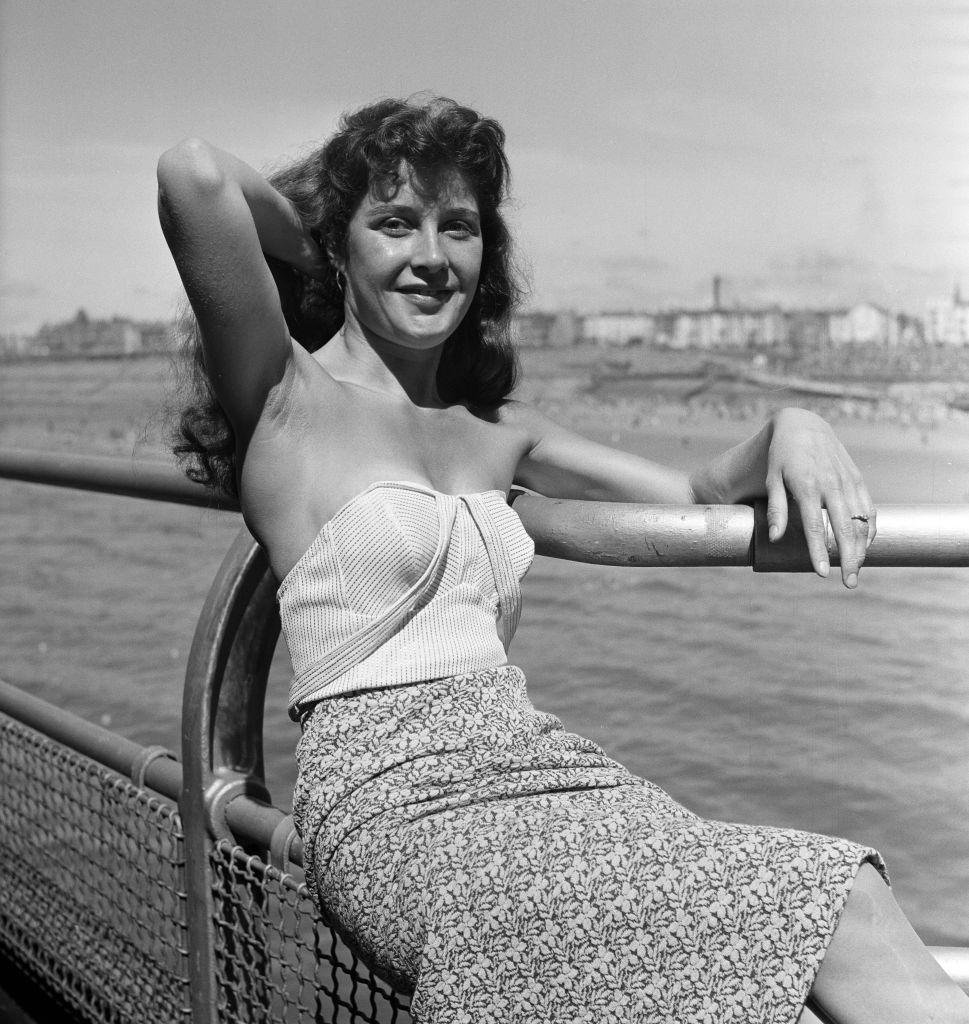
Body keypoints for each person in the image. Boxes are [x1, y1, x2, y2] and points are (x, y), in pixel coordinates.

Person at [158, 96, 969, 1024]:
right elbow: (195, 176)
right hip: (392, 800)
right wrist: (321, 251)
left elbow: (699, 498)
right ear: (339, 246)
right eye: (395, 224)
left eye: (456, 228)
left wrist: (797, 423)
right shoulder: (286, 402)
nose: (431, 256)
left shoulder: (497, 435)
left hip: (541, 768)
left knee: (840, 893)